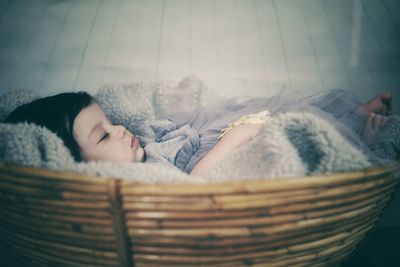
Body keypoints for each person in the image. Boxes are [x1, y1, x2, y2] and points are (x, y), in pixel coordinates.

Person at [5, 89, 394, 176]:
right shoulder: (128, 184)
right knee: (287, 139)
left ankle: (349, 113)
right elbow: (192, 187)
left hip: (209, 135)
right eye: (103, 136)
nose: (120, 129)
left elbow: (172, 132)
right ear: (76, 166)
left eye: (111, 121)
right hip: (225, 156)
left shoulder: (140, 145)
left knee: (273, 109)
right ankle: (357, 137)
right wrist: (232, 141)